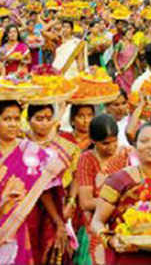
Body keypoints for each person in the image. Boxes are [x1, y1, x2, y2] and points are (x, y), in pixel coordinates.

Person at [91, 121, 151, 264]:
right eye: (144, 141)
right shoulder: (119, 180)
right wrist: (111, 240)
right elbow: (97, 221)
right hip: (130, 257)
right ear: (135, 147)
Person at [0, 100, 63, 264]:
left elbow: (46, 187)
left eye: (16, 119)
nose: (13, 124)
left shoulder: (30, 151)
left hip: (17, 223)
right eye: (7, 119)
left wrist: (58, 222)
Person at [25, 104, 81, 264]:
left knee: (54, 253)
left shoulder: (66, 146)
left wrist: (71, 201)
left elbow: (76, 175)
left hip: (58, 206)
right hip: (28, 209)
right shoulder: (22, 144)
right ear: (29, 120)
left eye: (48, 118)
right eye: (39, 119)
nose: (44, 123)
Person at [77, 114, 132, 265]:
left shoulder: (125, 154)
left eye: (114, 141)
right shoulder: (87, 159)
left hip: (121, 222)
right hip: (95, 223)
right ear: (93, 141)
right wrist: (113, 202)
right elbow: (86, 202)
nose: (111, 147)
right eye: (105, 143)